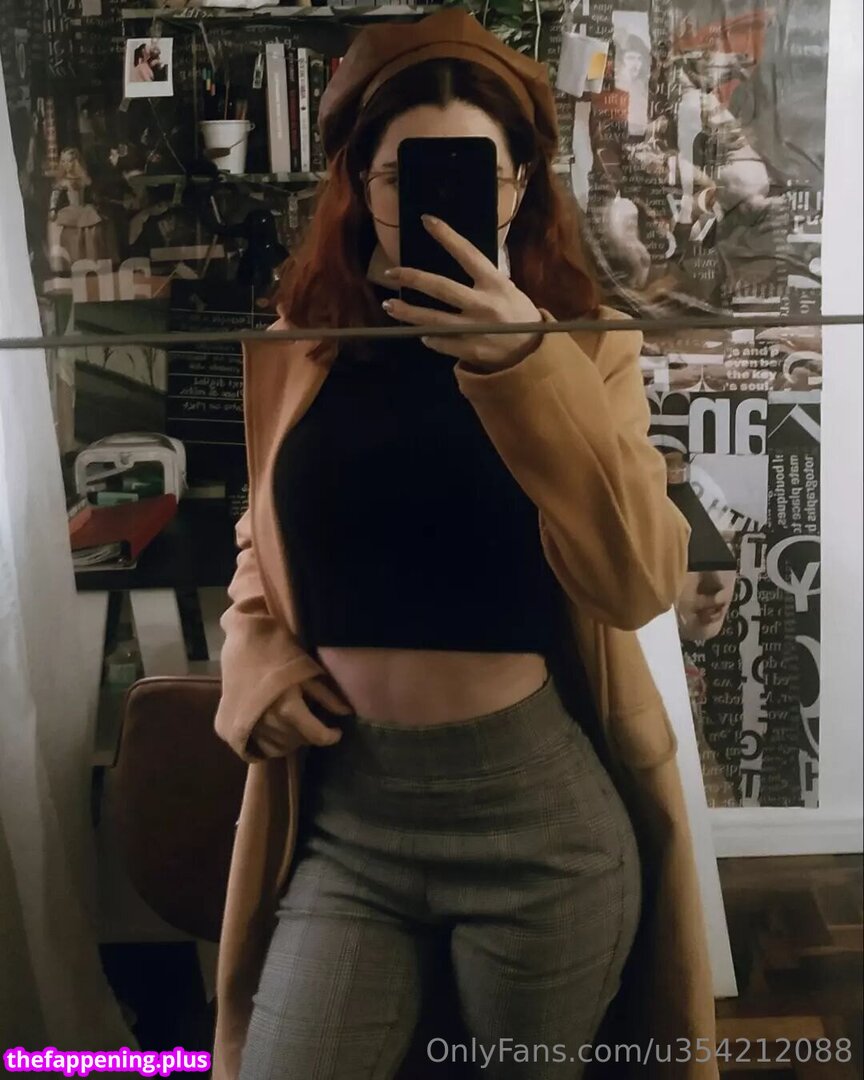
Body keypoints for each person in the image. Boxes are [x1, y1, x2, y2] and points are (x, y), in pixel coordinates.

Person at [211, 11, 716, 1080]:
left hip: (538, 826)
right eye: (406, 176)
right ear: (362, 184)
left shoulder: (584, 348)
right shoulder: (304, 347)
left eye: (477, 175)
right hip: (349, 819)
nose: (440, 203)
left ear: (521, 186)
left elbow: (638, 581)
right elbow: (263, 545)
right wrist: (253, 654)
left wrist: (523, 362)